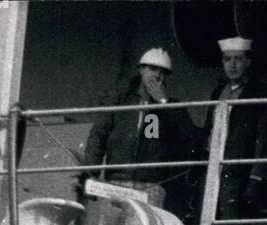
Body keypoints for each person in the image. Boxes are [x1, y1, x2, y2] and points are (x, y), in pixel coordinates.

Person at [79, 47, 200, 211]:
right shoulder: (119, 99)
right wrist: (90, 174)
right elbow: (98, 136)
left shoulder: (170, 108)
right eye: (153, 69)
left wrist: (163, 103)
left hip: (151, 185)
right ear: (141, 70)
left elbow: (187, 138)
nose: (158, 75)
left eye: (163, 72)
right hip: (116, 182)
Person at [205, 36, 267, 225]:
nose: (233, 65)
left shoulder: (262, 93)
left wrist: (255, 179)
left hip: (240, 176)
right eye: (227, 59)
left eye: (238, 59)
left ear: (248, 61)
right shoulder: (218, 92)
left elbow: (266, 141)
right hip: (213, 172)